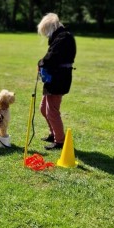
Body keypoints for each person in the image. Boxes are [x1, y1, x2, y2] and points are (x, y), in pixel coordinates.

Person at [37, 13, 76, 150]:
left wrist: (41, 63)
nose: (46, 35)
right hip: (55, 77)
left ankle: (59, 141)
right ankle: (53, 134)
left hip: (59, 78)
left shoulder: (63, 37)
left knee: (52, 111)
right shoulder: (61, 37)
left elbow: (52, 57)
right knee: (44, 108)